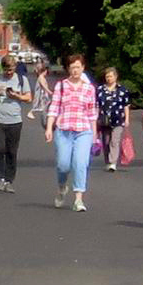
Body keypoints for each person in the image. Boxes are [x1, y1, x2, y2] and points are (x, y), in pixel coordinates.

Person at [45, 53, 99, 212]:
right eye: (72, 67)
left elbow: (92, 113)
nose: (75, 70)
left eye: (78, 67)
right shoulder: (61, 86)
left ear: (83, 68)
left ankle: (78, 200)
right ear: (68, 69)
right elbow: (54, 108)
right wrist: (49, 128)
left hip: (83, 131)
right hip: (63, 130)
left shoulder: (89, 89)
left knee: (81, 163)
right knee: (63, 165)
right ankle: (62, 187)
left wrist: (94, 134)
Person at [0, 57, 31, 191]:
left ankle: (9, 180)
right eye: (6, 70)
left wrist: (17, 96)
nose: (9, 73)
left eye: (11, 70)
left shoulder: (22, 80)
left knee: (12, 151)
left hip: (15, 121)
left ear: (15, 67)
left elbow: (29, 98)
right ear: (2, 68)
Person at [95, 66, 135, 170]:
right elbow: (97, 105)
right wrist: (95, 119)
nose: (109, 78)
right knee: (106, 142)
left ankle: (113, 162)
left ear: (116, 77)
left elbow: (126, 105)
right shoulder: (100, 90)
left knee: (115, 141)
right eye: (107, 76)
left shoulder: (122, 90)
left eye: (111, 76)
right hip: (104, 120)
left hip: (118, 120)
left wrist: (127, 119)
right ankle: (108, 161)